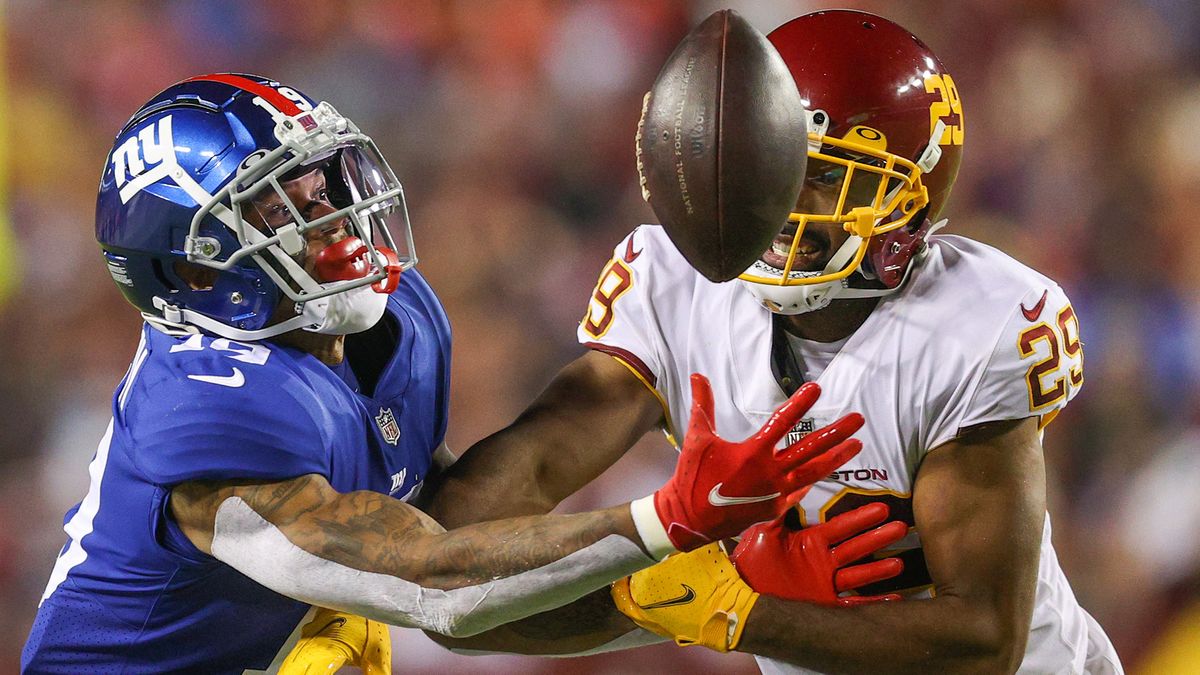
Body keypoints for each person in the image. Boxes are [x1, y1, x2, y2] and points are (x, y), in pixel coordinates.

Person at [20, 73, 869, 674]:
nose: (331, 213)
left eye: (317, 181)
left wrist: (704, 601)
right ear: (196, 271)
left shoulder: (392, 324)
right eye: (278, 209)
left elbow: (467, 563)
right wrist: (670, 518)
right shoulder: (206, 412)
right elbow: (440, 586)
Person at [425, 10, 1123, 674]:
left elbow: (982, 644)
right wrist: (667, 579)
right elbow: (460, 567)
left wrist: (741, 608)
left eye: (823, 175)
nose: (785, 200)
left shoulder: (976, 324)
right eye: (771, 162)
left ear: (908, 199)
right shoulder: (674, 282)